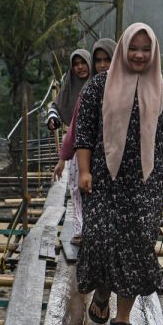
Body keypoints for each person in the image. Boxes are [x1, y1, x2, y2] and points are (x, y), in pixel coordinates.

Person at [74, 23, 163, 325]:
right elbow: (84, 133)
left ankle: (122, 316)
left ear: (154, 53)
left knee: (138, 245)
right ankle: (102, 295)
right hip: (104, 180)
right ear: (123, 50)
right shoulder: (99, 86)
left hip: (146, 186)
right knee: (100, 240)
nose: (139, 55)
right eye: (133, 48)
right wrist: (84, 171)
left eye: (146, 49)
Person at [52, 40, 116, 245]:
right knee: (82, 190)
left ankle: (102, 233)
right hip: (87, 153)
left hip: (117, 156)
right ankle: (85, 230)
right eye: (98, 60)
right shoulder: (89, 92)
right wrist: (63, 158)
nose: (103, 65)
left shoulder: (131, 88)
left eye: (108, 59)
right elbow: (74, 127)